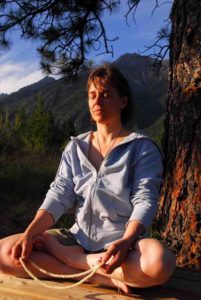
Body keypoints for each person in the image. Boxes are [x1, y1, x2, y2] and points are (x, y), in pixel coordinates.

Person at [0, 64, 175, 294]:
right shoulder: (76, 147)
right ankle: (98, 276)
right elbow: (60, 193)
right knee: (6, 253)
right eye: (92, 95)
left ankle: (72, 260)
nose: (97, 101)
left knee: (159, 262)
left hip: (121, 245)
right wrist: (30, 233)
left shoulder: (141, 148)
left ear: (123, 101)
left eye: (106, 95)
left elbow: (145, 199)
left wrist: (126, 241)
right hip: (76, 238)